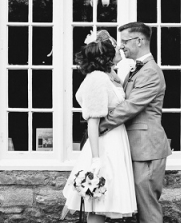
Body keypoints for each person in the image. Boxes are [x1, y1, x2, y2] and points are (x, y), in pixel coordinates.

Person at [61, 30, 137, 222]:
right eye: (115, 45)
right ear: (108, 55)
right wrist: (96, 160)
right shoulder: (97, 78)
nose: (120, 47)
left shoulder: (110, 75)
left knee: (106, 203)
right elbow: (93, 123)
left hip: (116, 142)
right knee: (97, 203)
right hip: (104, 146)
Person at [100, 22, 172, 223]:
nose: (121, 46)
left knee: (147, 209)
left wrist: (101, 125)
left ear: (139, 41)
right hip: (136, 147)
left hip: (146, 148)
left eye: (124, 41)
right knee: (138, 209)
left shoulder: (150, 71)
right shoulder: (136, 69)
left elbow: (131, 106)